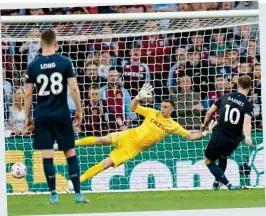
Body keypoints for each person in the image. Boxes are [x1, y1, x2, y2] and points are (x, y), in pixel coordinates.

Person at [68, 83, 217, 189]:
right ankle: (71, 143)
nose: (163, 109)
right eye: (162, 106)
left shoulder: (173, 125)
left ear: (172, 109)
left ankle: (75, 182)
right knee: (101, 139)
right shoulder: (152, 112)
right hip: (128, 135)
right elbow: (132, 107)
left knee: (104, 165)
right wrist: (138, 97)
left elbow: (190, 136)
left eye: (166, 107)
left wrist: (205, 133)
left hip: (132, 149)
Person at [24, 29, 88, 204]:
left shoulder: (33, 65)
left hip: (43, 115)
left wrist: (27, 117)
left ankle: (53, 195)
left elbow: (28, 94)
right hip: (61, 114)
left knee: (47, 155)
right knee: (70, 152)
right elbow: (74, 89)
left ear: (41, 43)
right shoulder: (65, 62)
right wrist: (79, 110)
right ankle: (78, 194)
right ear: (56, 43)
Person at [201, 75, 254, 190]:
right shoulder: (247, 104)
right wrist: (248, 137)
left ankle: (228, 184)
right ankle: (216, 183)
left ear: (238, 85)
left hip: (219, 134)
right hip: (234, 139)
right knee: (223, 157)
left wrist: (204, 124)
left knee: (208, 162)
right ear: (249, 87)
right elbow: (247, 122)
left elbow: (209, 112)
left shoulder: (226, 97)